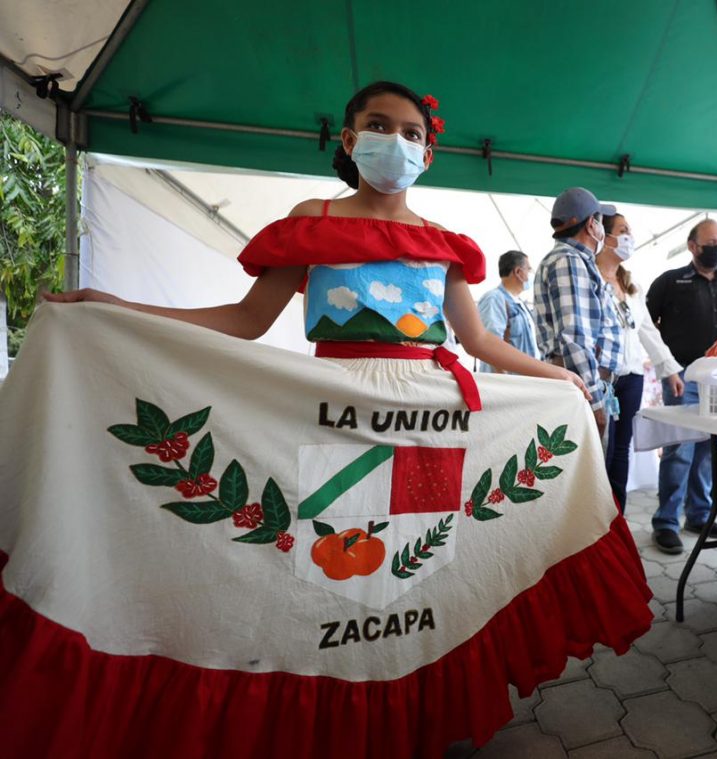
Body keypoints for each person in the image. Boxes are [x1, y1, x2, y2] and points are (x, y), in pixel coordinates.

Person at [12, 81, 652, 757]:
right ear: (349, 140)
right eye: (380, 125)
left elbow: (480, 341)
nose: (396, 141)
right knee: (335, 575)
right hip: (332, 409)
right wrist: (120, 310)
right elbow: (245, 320)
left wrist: (558, 379)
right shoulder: (311, 220)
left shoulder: (443, 243)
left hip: (424, 414)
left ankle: (408, 719)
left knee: (415, 580)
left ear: (428, 153)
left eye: (412, 133)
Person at [645, 219, 717, 554]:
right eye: (710, 243)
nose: (716, 248)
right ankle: (666, 522)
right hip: (683, 377)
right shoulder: (670, 282)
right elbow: (644, 325)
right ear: (693, 246)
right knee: (679, 449)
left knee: (710, 449)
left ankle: (700, 515)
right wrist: (666, 367)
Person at [596, 210, 684, 513]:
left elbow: (647, 330)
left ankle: (616, 514)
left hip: (632, 377)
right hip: (602, 377)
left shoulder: (631, 284)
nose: (629, 237)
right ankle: (595, 516)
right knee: (600, 449)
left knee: (622, 449)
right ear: (604, 236)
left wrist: (669, 370)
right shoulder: (590, 278)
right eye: (622, 230)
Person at [533, 187, 622, 439]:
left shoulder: (573, 260)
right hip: (581, 389)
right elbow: (575, 336)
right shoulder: (569, 260)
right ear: (591, 224)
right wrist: (594, 402)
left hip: (583, 385)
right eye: (600, 221)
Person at [475, 250, 538, 371]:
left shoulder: (520, 303)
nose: (530, 274)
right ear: (518, 272)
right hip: (507, 380)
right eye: (529, 269)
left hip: (523, 378)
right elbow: (491, 345)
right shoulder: (494, 299)